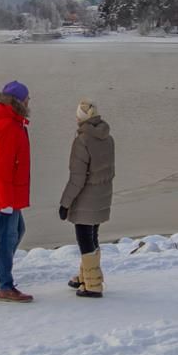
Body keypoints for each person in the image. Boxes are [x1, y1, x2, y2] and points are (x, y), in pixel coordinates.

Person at [0, 80, 34, 303]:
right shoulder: (8, 127)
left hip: (9, 192)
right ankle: (5, 286)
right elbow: (2, 168)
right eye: (27, 98)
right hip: (4, 195)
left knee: (17, 231)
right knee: (6, 236)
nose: (30, 102)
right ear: (19, 101)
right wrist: (5, 201)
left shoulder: (11, 122)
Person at [58, 99, 115, 298]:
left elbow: (77, 178)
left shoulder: (82, 141)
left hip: (86, 197)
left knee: (84, 238)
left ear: (81, 118)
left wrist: (65, 203)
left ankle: (93, 284)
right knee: (93, 235)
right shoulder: (108, 138)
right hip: (103, 195)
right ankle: (87, 275)